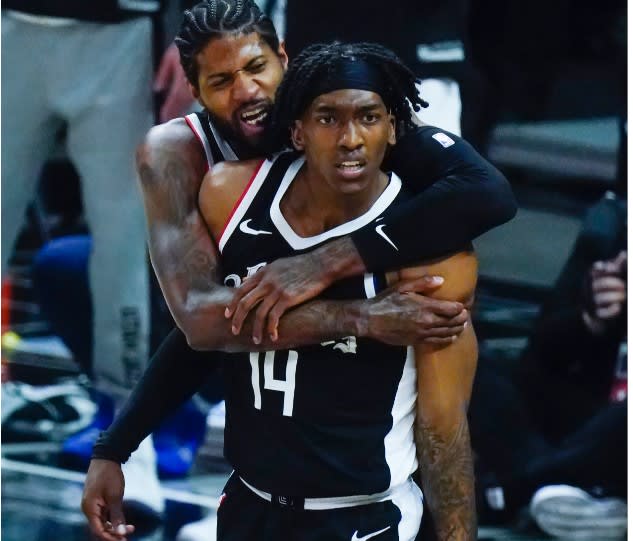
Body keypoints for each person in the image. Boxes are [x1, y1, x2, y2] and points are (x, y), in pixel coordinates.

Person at [81, 0, 515, 538]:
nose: (246, 92)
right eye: (221, 80)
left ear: (283, 59)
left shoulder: (374, 147)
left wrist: (327, 261)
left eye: (257, 69)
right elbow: (202, 325)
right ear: (195, 91)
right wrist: (116, 446)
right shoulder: (216, 184)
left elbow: (445, 428)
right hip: (252, 501)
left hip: (361, 512)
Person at [1, 0, 198, 517]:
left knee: (124, 245)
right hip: (12, 25)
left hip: (123, 30)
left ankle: (127, 440)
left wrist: (195, 29)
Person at [469, 191, 626, 539]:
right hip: (580, 435)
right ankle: (576, 501)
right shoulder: (614, 232)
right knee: (471, 365)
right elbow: (536, 361)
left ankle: (514, 493)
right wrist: (590, 320)